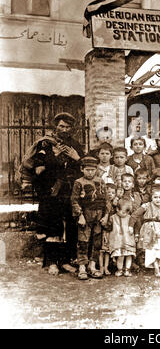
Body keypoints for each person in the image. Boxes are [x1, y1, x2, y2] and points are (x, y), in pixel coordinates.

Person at [19, 112, 84, 276]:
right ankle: (51, 262)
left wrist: (77, 158)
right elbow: (39, 169)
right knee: (51, 226)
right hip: (51, 192)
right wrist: (54, 157)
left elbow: (84, 170)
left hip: (69, 192)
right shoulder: (45, 144)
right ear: (56, 126)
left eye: (68, 127)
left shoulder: (75, 145)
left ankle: (66, 260)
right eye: (61, 126)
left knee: (70, 226)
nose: (64, 129)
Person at [71, 155, 108, 280]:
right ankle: (82, 267)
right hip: (85, 215)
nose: (90, 172)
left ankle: (93, 266)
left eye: (93, 170)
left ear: (96, 169)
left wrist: (106, 215)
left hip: (99, 216)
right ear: (82, 169)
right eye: (87, 170)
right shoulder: (79, 183)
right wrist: (80, 215)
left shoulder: (101, 182)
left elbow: (106, 200)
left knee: (97, 242)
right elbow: (74, 201)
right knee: (83, 241)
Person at [129, 185, 160, 277]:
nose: (158, 200)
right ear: (151, 198)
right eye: (155, 197)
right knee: (152, 248)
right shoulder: (146, 206)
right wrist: (131, 226)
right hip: (150, 228)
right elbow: (134, 215)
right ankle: (156, 268)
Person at [108, 198, 136, 277]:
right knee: (120, 256)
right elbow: (108, 227)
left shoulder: (129, 217)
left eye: (127, 212)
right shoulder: (113, 217)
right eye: (124, 212)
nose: (126, 214)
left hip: (128, 240)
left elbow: (135, 226)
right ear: (117, 209)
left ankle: (127, 269)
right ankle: (119, 269)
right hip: (118, 241)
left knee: (129, 255)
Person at [99, 183, 117, 276]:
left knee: (107, 250)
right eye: (108, 192)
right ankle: (101, 267)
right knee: (101, 250)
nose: (110, 194)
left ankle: (106, 267)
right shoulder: (102, 204)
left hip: (110, 229)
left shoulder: (115, 205)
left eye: (112, 193)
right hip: (102, 229)